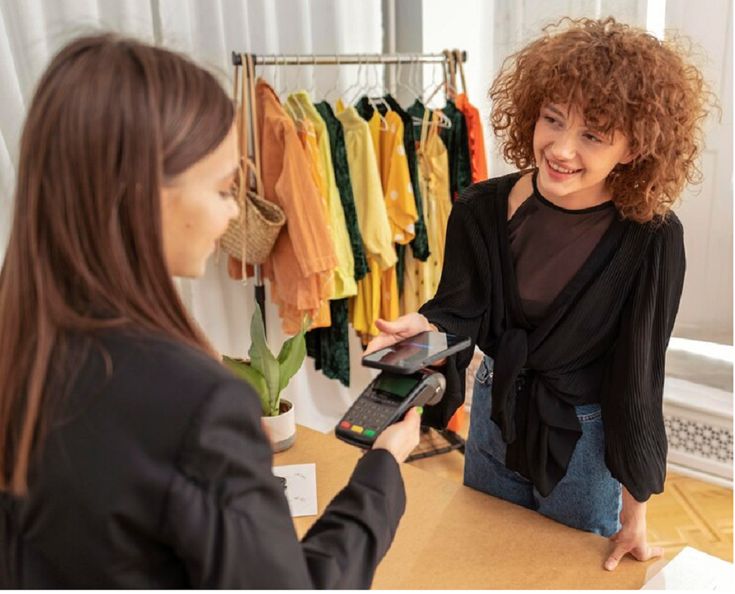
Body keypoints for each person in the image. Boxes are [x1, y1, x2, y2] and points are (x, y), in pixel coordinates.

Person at [0, 34, 421, 588]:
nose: (232, 215)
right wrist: (382, 472)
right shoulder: (193, 403)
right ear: (144, 192)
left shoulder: (22, 344)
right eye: (224, 189)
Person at [367, 17, 714, 571]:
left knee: (562, 576)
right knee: (481, 558)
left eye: (592, 135)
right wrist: (428, 329)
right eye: (553, 119)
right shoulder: (480, 209)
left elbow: (638, 378)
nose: (561, 147)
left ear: (633, 148)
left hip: (585, 440)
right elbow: (462, 313)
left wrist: (635, 516)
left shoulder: (650, 239)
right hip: (492, 412)